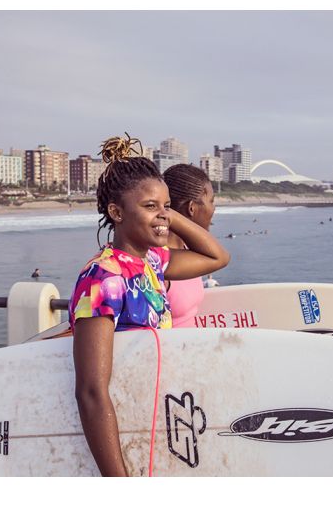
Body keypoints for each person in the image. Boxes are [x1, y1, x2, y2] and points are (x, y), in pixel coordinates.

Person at [69, 135, 230, 476]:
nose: (162, 217)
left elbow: (218, 256)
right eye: (149, 206)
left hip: (157, 417)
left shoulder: (152, 262)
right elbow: (92, 392)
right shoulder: (103, 278)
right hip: (123, 427)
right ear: (116, 212)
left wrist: (166, 213)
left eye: (167, 205)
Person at [162, 163, 218, 327]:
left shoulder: (187, 251)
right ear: (192, 208)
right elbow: (221, 257)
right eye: (211, 201)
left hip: (193, 348)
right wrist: (170, 213)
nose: (214, 208)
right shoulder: (160, 260)